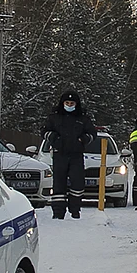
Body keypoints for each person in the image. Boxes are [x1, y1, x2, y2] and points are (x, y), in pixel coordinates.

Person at [42, 90, 96, 219]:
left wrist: (83, 139)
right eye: (67, 102)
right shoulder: (54, 117)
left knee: (77, 183)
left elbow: (92, 134)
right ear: (63, 103)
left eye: (72, 103)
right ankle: (58, 212)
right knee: (58, 184)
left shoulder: (83, 118)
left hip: (76, 155)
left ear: (76, 104)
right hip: (59, 154)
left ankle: (75, 209)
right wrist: (54, 138)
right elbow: (44, 131)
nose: (69, 105)